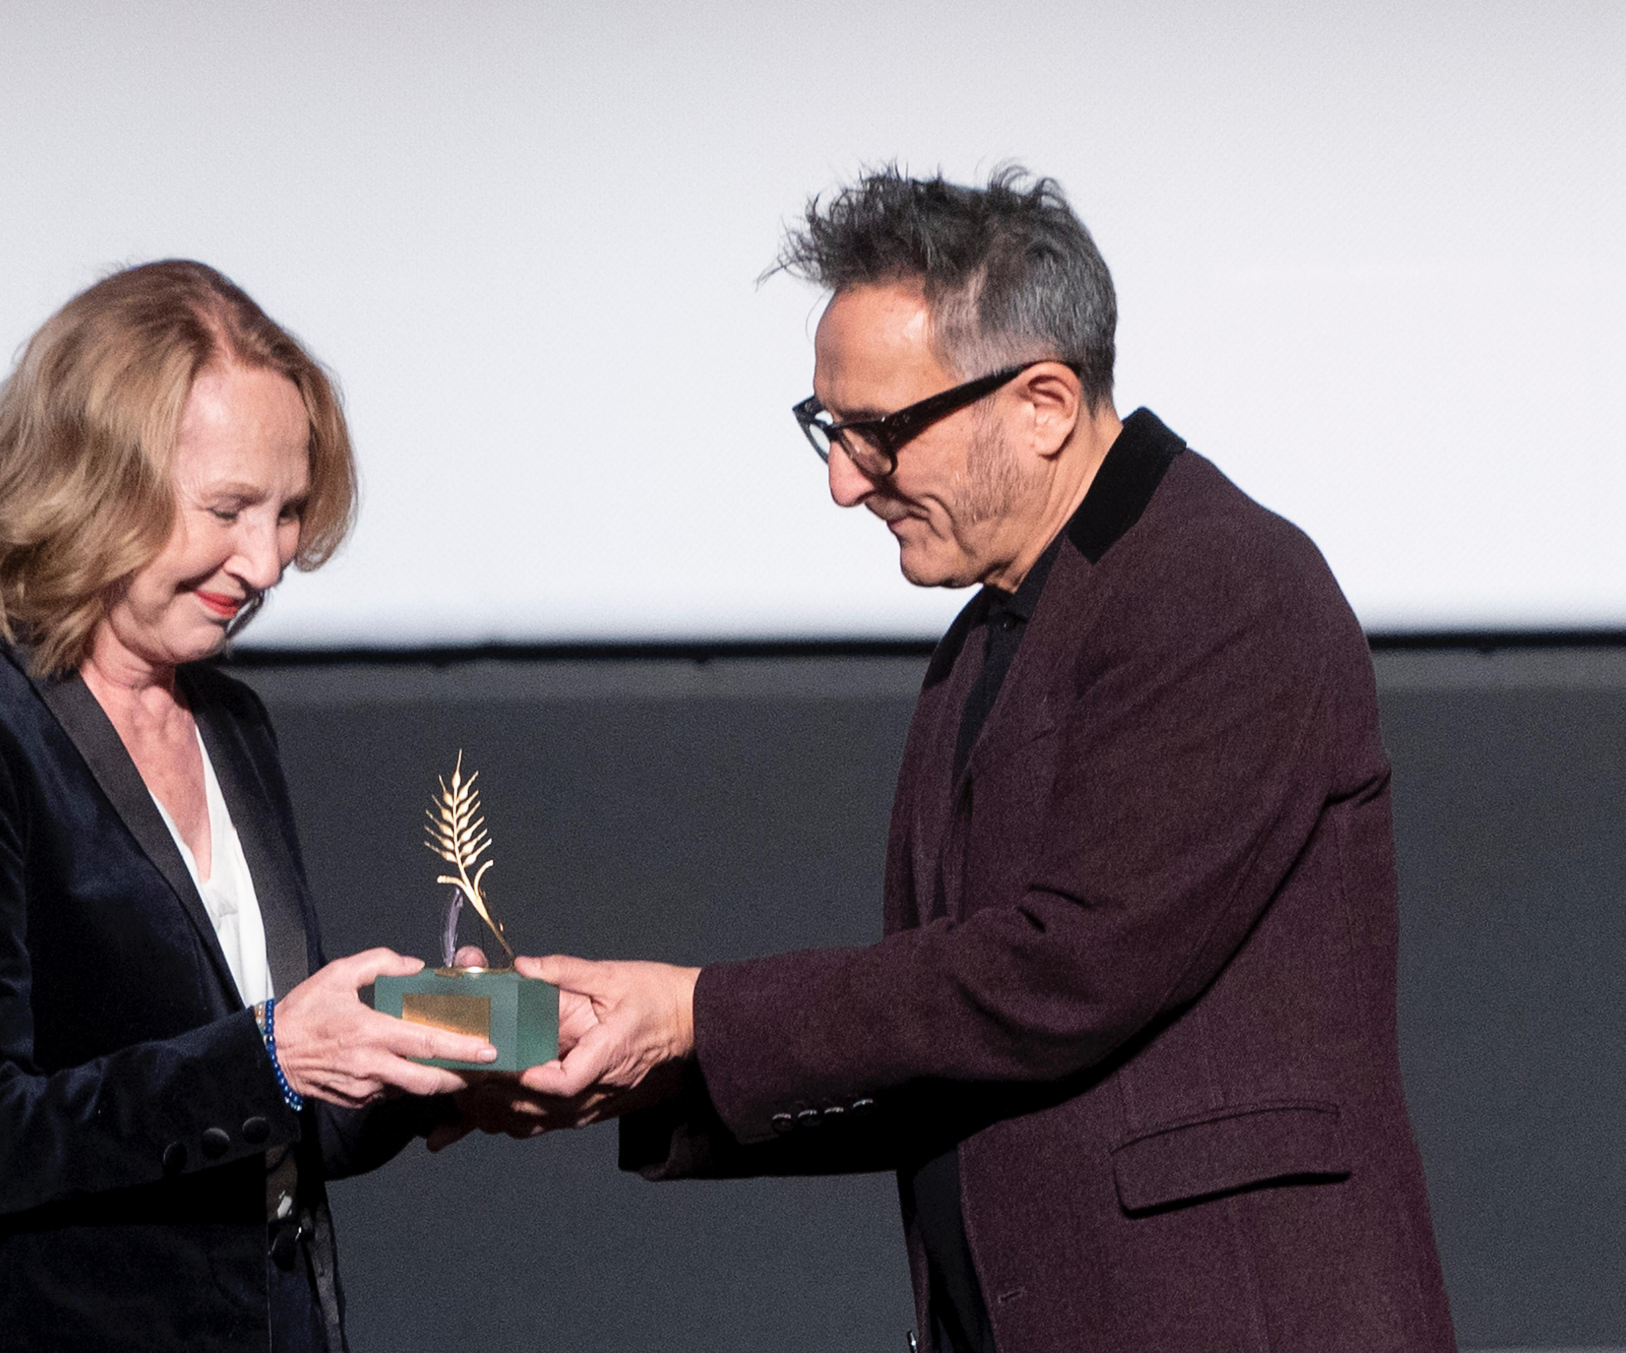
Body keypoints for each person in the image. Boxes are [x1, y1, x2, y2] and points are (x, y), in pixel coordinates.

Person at [475, 169, 1459, 1352]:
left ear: (1041, 402)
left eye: (880, 433)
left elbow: (1064, 974)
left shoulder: (1217, 584)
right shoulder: (989, 634)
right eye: (824, 430)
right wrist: (652, 1073)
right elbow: (951, 1034)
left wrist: (699, 1016)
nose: (843, 482)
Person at [0, 260, 499, 1353]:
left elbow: (270, 1117)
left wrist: (413, 1060)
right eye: (229, 509)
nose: (269, 560)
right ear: (89, 479)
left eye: (288, 512)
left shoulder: (227, 721)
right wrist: (276, 1055)